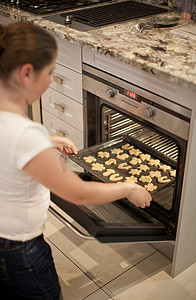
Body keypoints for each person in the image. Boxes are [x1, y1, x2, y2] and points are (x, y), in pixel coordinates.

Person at [0, 22, 152, 299]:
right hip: (18, 248)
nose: (49, 81)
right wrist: (129, 188)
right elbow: (78, 193)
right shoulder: (25, 134)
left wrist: (46, 143)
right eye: (50, 73)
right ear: (26, 73)